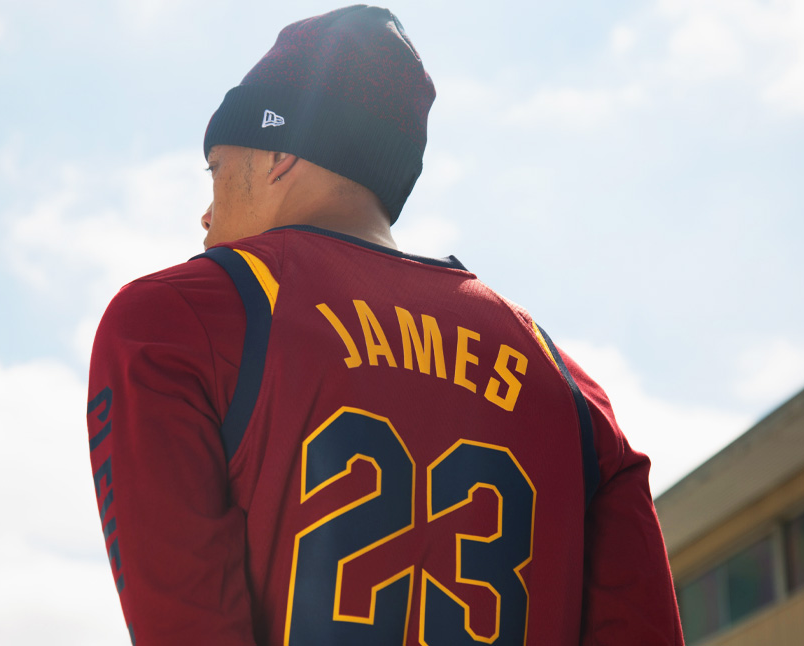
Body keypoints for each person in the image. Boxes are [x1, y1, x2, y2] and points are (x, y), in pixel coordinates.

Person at [86, 6, 684, 645]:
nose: (205, 215)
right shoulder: (571, 390)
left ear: (279, 153)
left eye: (217, 171)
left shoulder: (174, 321)